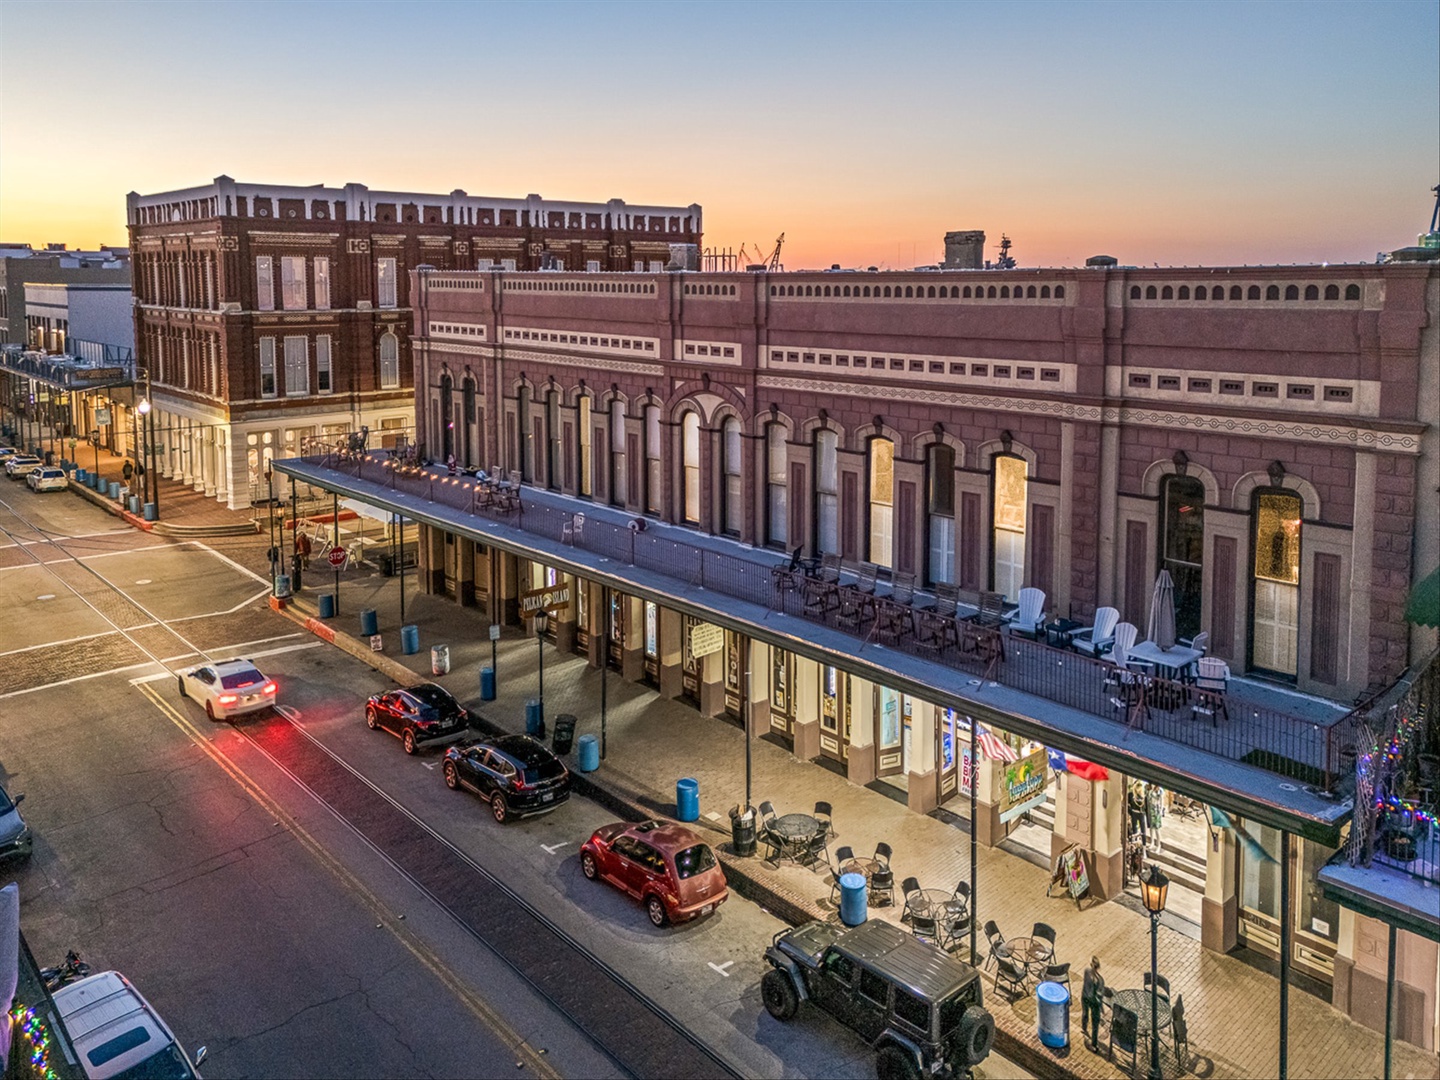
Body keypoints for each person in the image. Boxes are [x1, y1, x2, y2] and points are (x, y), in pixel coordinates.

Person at [1081, 956, 1105, 1049]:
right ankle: (1094, 1043)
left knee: (1085, 1013)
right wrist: (1101, 1007)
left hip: (1085, 997)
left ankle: (1084, 1028)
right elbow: (1100, 995)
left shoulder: (1086, 971)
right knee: (1095, 1023)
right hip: (1094, 1002)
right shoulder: (1100, 980)